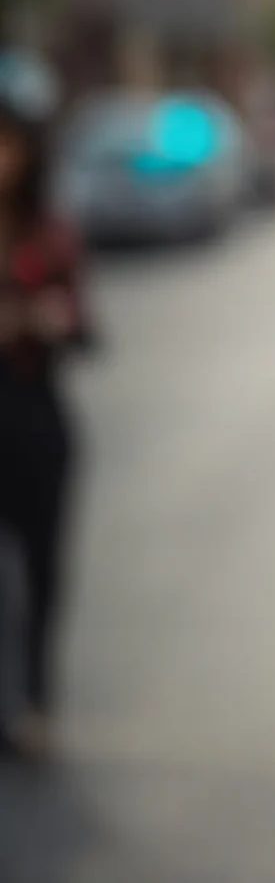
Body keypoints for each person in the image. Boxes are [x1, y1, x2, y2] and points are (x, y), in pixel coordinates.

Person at [0, 101, 89, 759]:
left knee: (43, 569)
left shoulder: (50, 232)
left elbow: (87, 327)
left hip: (34, 410)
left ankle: (37, 697)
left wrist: (54, 320)